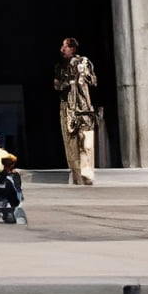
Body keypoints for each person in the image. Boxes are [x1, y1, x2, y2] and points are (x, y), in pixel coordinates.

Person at [55, 38, 99, 185]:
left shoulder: (84, 62)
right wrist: (68, 82)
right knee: (70, 143)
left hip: (84, 107)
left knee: (86, 141)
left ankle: (87, 174)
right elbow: (57, 85)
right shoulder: (60, 66)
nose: (62, 49)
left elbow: (93, 81)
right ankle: (77, 177)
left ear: (72, 48)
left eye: (65, 47)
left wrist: (83, 73)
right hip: (67, 107)